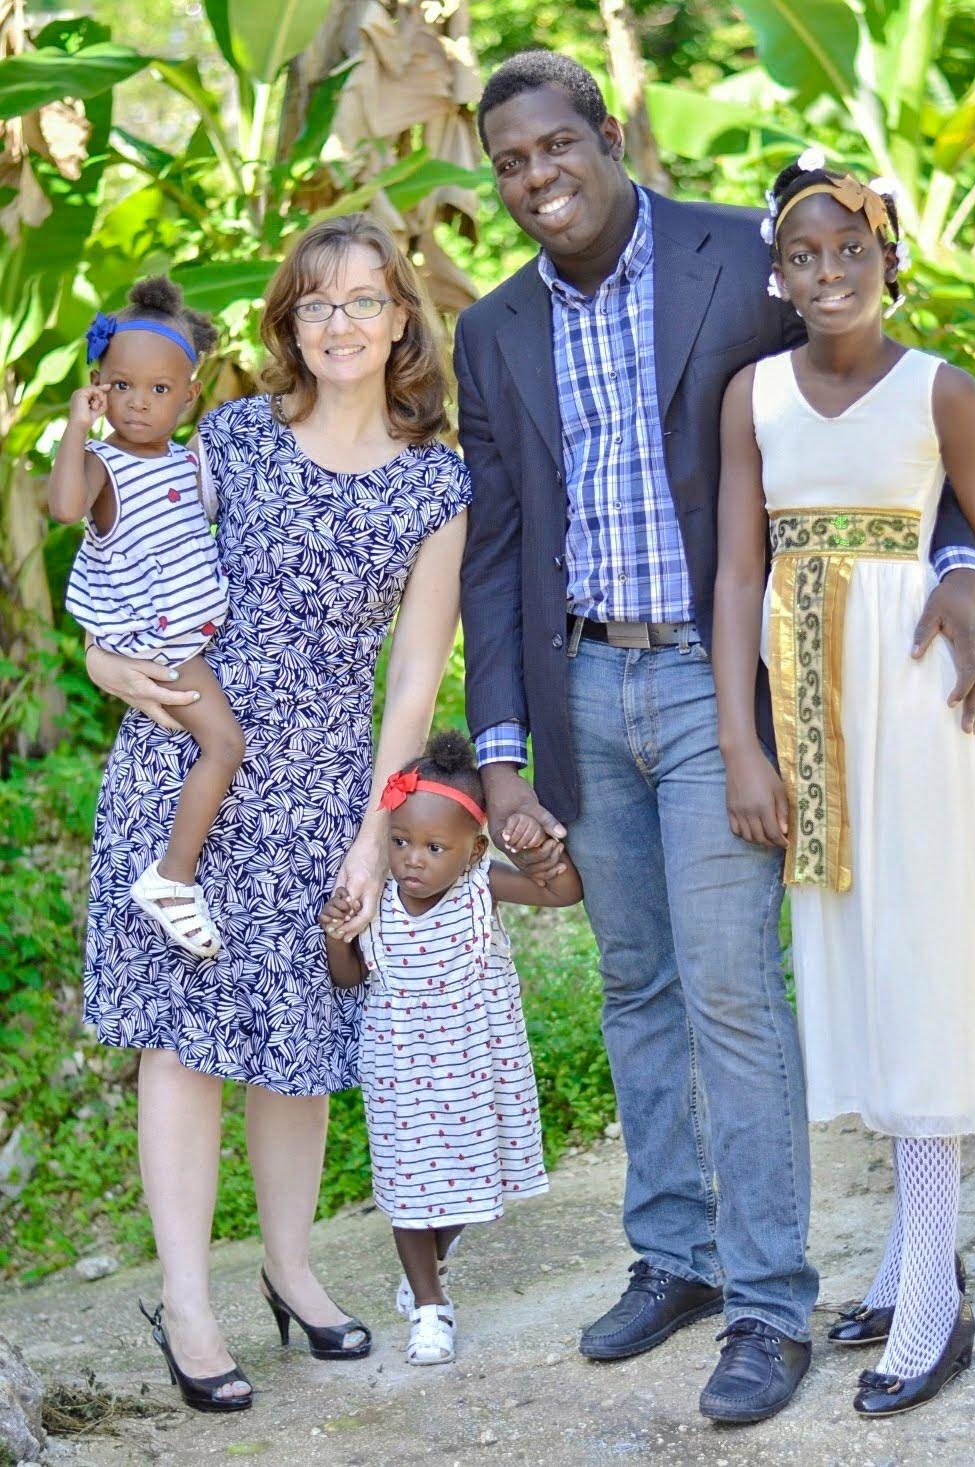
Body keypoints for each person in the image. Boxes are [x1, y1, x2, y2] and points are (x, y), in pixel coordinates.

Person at [454, 51, 975, 1425]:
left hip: (719, 682)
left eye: (555, 147)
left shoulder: (736, 257)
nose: (537, 178)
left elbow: (865, 391)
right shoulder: (496, 328)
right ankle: (676, 1254)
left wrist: (960, 561)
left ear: (607, 133)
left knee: (733, 987)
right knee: (636, 984)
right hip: (579, 680)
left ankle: (766, 1298)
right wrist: (500, 749)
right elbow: (500, 547)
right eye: (511, 162)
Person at [83, 214, 471, 1411]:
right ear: (287, 325)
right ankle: (190, 1303)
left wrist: (372, 827)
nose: (342, 323)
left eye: (365, 301)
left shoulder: (439, 476)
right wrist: (101, 655)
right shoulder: (234, 436)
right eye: (317, 304)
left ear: (401, 317)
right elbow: (130, 552)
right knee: (187, 1043)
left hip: (321, 788)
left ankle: (293, 1273)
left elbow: (414, 674)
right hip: (186, 762)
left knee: (298, 1046)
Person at [713, 154, 975, 1416]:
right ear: (778, 278)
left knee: (922, 969)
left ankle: (934, 1300)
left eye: (852, 252)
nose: (829, 273)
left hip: (913, 707)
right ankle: (904, 1256)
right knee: (856, 967)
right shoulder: (753, 396)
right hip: (808, 707)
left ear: (887, 259)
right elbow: (738, 576)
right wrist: (743, 743)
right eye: (804, 257)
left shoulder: (940, 389)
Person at [320, 729, 581, 1366]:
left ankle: (429, 1264)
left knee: (470, 1184)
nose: (413, 859)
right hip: (400, 1076)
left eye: (435, 847)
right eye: (402, 841)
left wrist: (542, 849)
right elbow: (350, 977)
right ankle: (431, 1308)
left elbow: (564, 892)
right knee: (411, 1190)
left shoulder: (479, 888)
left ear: (471, 852)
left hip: (475, 1075)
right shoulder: (375, 899)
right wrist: (336, 935)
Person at [50, 277, 241, 959]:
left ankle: (176, 874)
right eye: (122, 386)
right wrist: (77, 427)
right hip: (164, 645)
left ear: (189, 396)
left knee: (218, 747)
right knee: (224, 746)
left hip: (191, 634)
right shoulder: (102, 465)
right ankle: (172, 879)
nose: (139, 402)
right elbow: (67, 508)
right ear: (100, 385)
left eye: (160, 390)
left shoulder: (186, 464)